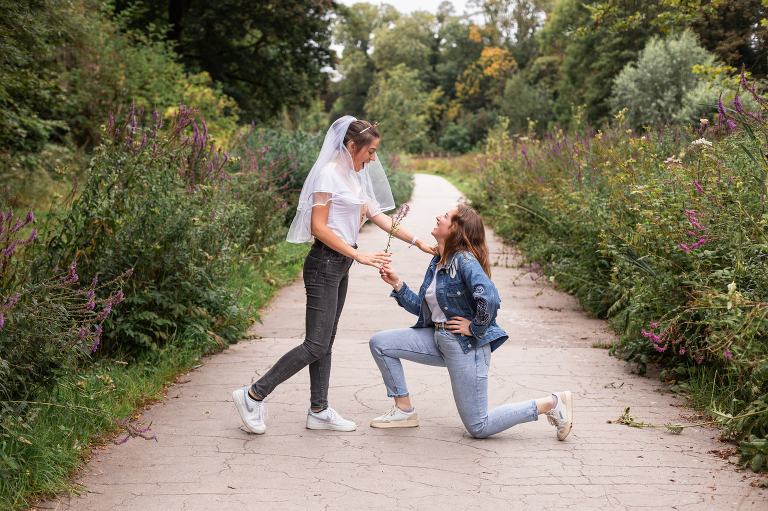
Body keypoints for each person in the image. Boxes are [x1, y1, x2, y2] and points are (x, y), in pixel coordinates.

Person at [232, 116, 434, 434]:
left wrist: (418, 241)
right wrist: (357, 253)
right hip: (324, 265)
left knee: (325, 342)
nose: (374, 158)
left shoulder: (352, 177)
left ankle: (319, 410)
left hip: (339, 267)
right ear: (352, 146)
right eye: (371, 151)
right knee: (315, 344)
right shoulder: (328, 175)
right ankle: (253, 394)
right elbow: (318, 227)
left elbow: (378, 215)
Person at [368, 204, 574, 440]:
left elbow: (490, 297)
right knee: (380, 343)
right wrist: (398, 285)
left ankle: (552, 403)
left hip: (465, 347)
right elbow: (425, 311)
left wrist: (475, 327)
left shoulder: (464, 261)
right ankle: (404, 411)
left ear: (456, 229)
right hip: (438, 338)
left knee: (479, 426)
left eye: (445, 216)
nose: (437, 216)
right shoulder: (438, 262)